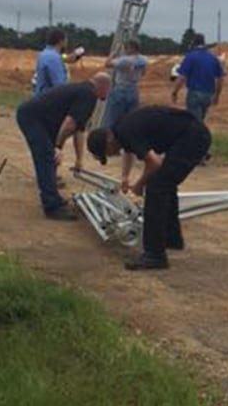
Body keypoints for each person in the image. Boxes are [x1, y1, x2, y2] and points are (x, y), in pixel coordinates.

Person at [87, 106, 210, 270]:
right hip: (192, 134)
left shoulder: (125, 131)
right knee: (165, 184)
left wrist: (139, 185)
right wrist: (125, 177)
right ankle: (171, 238)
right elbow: (129, 151)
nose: (111, 155)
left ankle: (155, 255)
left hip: (192, 138)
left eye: (107, 153)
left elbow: (154, 163)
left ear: (108, 140)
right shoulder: (121, 129)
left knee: (156, 188)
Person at [16, 73, 111, 220]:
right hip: (32, 117)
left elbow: (79, 129)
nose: (107, 94)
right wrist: (58, 147)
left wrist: (79, 160)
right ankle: (52, 206)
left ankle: (53, 197)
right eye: (108, 90)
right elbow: (69, 124)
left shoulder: (84, 91)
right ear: (104, 86)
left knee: (50, 156)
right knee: (47, 156)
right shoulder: (89, 95)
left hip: (42, 120)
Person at [171, 33, 224, 123]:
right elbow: (220, 79)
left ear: (193, 43)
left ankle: (198, 136)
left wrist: (175, 92)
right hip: (209, 94)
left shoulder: (190, 56)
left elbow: (182, 77)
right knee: (200, 120)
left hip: (194, 93)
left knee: (194, 123)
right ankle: (200, 135)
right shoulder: (213, 58)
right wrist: (217, 95)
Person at [103, 39, 148, 128]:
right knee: (131, 119)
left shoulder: (124, 60)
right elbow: (143, 72)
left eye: (126, 48)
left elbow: (107, 64)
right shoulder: (143, 59)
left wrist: (113, 53)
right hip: (134, 89)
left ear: (131, 48)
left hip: (121, 89)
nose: (125, 50)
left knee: (112, 119)